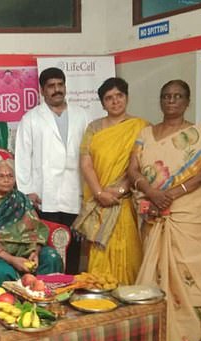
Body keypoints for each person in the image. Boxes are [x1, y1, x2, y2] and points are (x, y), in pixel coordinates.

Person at [127, 80, 201, 341]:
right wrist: (151, 192)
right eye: (166, 96)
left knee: (192, 271)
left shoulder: (199, 134)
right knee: (156, 271)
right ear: (160, 100)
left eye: (177, 96)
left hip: (187, 213)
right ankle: (154, 333)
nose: (171, 100)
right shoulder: (146, 133)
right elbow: (133, 170)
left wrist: (172, 193)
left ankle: (190, 332)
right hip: (154, 211)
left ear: (187, 101)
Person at [14, 67, 91, 273]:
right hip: (43, 195)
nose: (56, 90)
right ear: (42, 90)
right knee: (47, 247)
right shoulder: (31, 119)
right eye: (51, 86)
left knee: (74, 246)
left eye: (60, 85)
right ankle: (48, 291)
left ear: (65, 86)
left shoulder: (82, 116)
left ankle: (71, 287)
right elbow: (22, 158)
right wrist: (26, 191)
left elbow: (90, 155)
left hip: (75, 192)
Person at [75, 77, 148, 285]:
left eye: (119, 96)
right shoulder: (94, 128)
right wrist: (100, 193)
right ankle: (99, 292)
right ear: (102, 103)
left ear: (127, 97)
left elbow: (143, 164)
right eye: (109, 98)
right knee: (99, 250)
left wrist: (121, 190)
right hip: (100, 201)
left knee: (128, 247)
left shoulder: (141, 127)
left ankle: (127, 294)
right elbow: (86, 163)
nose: (115, 101)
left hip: (125, 201)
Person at [0, 159, 62, 288]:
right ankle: (6, 305)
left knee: (52, 257)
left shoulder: (21, 199)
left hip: (25, 249)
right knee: (1, 270)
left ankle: (43, 299)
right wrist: (12, 259)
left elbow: (37, 228)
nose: (6, 179)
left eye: (10, 176)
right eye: (1, 176)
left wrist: (35, 251)